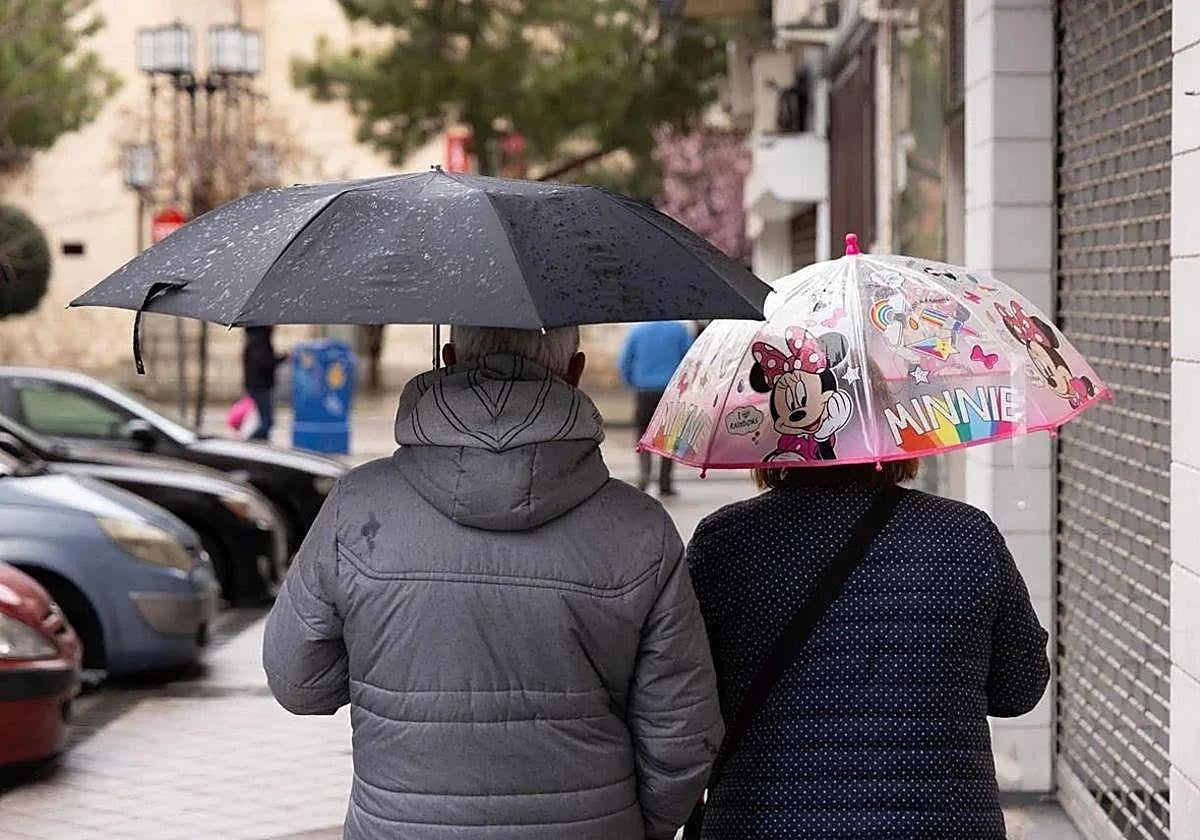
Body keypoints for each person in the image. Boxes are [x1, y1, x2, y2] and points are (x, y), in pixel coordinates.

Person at [263, 326, 723, 840]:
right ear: (575, 372)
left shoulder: (355, 505)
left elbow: (299, 683)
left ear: (448, 358)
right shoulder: (641, 527)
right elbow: (682, 736)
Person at [687, 459, 1050, 839]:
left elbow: (684, 703)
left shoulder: (724, 541)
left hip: (765, 820)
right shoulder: (967, 534)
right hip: (941, 822)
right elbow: (1020, 689)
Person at [618, 320, 694, 495]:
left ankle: (644, 476)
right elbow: (690, 360)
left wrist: (632, 382)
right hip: (671, 392)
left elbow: (624, 362)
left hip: (644, 390)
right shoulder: (680, 330)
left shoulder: (637, 331)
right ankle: (665, 482)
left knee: (643, 434)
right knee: (669, 437)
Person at [242, 326, 286, 441]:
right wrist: (282, 358)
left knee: (266, 420)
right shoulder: (259, 340)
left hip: (259, 385)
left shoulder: (257, 338)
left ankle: (260, 442)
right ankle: (251, 442)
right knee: (267, 421)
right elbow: (265, 362)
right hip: (260, 386)